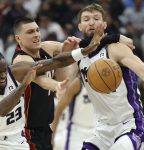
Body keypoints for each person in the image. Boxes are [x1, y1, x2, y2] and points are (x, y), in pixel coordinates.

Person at [11, 16, 109, 150]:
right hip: (26, 131)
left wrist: (105, 40)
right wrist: (56, 85)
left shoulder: (46, 47)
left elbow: (79, 47)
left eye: (37, 30)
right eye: (30, 32)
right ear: (18, 38)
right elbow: (41, 80)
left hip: (44, 128)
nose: (36, 35)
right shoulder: (20, 60)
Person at [71, 3, 144, 150]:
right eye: (86, 19)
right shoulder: (78, 55)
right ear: (80, 26)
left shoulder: (115, 48)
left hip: (130, 125)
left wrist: (114, 38)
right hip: (102, 129)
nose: (92, 22)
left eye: (96, 18)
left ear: (105, 24)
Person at [0, 52, 40, 150]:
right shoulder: (21, 83)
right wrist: (25, 83)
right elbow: (2, 110)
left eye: (4, 70)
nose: (3, 75)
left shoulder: (15, 73)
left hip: (18, 140)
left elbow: (52, 62)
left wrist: (79, 53)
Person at [52, 77, 96, 150]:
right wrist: (52, 136)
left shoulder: (103, 83)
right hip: (76, 133)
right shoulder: (78, 83)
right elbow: (58, 109)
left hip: (96, 132)